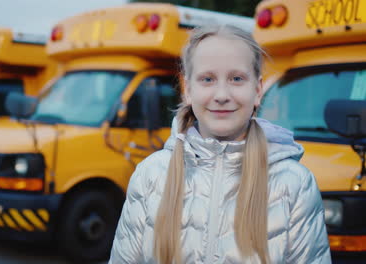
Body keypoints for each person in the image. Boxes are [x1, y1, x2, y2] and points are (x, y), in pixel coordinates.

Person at [108, 24, 331, 264]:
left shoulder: (295, 184)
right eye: (207, 79)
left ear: (257, 90)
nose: (222, 94)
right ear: (188, 90)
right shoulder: (149, 176)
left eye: (237, 78)